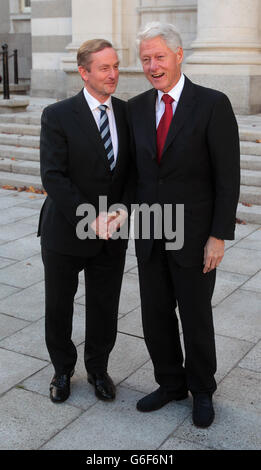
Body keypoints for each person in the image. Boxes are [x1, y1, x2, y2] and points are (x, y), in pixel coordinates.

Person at [128, 22, 240, 427]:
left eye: (159, 57)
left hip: (194, 236)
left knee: (195, 315)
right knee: (154, 315)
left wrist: (218, 236)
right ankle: (170, 383)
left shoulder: (212, 104)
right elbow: (134, 174)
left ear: (178, 55)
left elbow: (227, 177)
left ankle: (202, 389)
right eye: (145, 59)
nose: (153, 66)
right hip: (151, 231)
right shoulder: (136, 107)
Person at [38, 39, 129, 404]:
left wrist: (122, 211)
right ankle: (62, 370)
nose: (113, 74)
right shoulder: (57, 114)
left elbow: (133, 173)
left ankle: (97, 368)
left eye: (116, 66)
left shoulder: (127, 113)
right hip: (66, 229)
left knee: (105, 305)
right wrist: (90, 218)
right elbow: (53, 176)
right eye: (104, 68)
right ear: (84, 72)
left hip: (113, 232)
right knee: (59, 305)